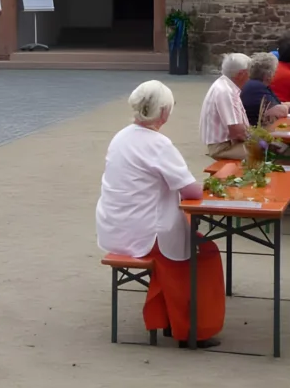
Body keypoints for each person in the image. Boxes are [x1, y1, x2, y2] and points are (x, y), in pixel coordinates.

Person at [96, 80, 225, 348]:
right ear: (164, 112)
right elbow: (191, 191)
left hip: (115, 226)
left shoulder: (120, 137)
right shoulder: (158, 144)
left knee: (187, 240)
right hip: (146, 232)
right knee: (203, 252)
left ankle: (166, 319)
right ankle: (191, 329)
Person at [200, 53, 253, 161]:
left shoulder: (224, 85)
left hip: (227, 143)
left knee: (266, 147)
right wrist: (258, 140)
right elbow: (237, 131)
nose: (250, 77)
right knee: (263, 153)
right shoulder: (226, 91)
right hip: (223, 147)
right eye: (249, 72)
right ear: (241, 74)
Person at [241, 52, 287, 125]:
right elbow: (281, 112)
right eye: (274, 71)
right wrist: (286, 107)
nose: (275, 74)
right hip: (255, 129)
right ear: (268, 75)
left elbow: (274, 104)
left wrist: (286, 105)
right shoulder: (256, 87)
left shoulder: (254, 84)